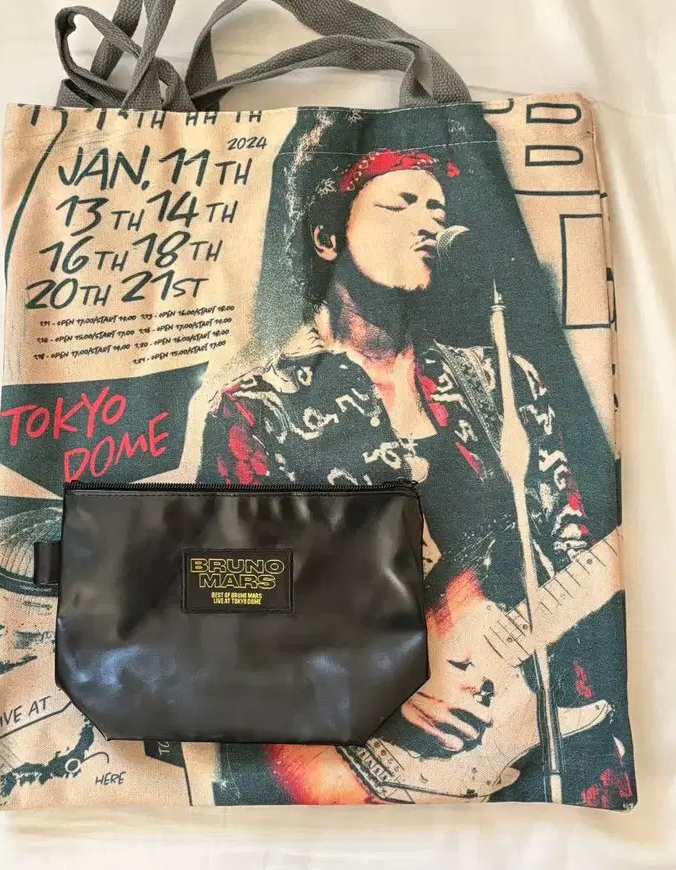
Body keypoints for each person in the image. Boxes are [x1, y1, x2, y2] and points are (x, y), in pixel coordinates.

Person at [197, 148, 627, 806]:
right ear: (327, 236)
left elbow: (566, 543)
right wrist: (380, 670)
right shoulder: (257, 411)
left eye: (437, 210)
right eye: (401, 204)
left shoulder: (502, 382)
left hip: (534, 734)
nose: (429, 221)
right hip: (350, 755)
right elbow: (232, 590)